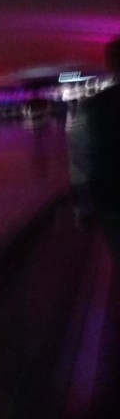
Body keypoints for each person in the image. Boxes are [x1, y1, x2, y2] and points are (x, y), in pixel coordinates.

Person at [80, 36, 120, 259]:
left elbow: (83, 157)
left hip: (110, 194)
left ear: (110, 64)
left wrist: (83, 207)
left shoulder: (94, 106)